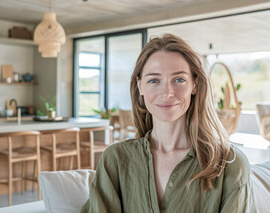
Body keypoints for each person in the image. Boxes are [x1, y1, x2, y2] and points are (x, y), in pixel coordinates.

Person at [80, 34, 257, 212]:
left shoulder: (230, 164)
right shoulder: (115, 159)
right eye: (154, 80)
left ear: (194, 85)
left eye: (179, 79)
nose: (167, 92)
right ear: (140, 86)